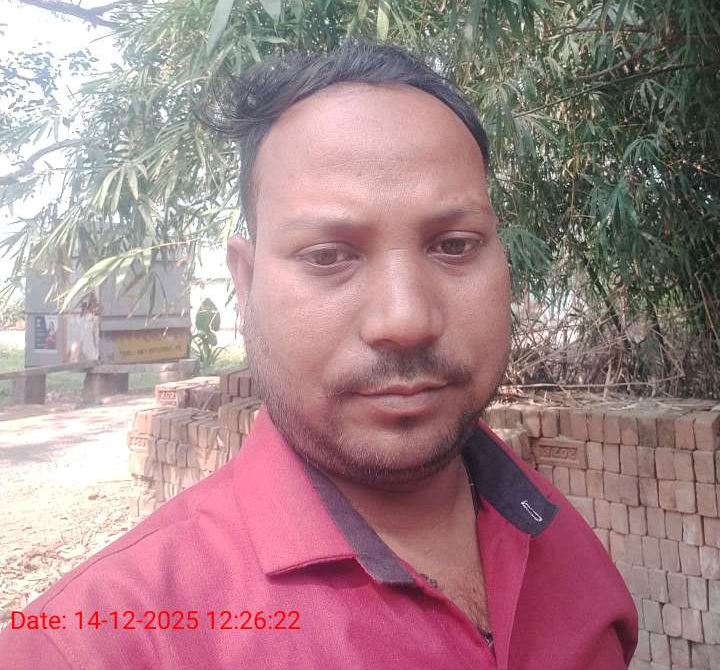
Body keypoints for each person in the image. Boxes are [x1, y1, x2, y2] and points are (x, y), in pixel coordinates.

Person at [0, 40, 637, 669]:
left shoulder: (554, 531)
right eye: (328, 256)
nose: (405, 320)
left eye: (454, 245)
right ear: (245, 284)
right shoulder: (98, 642)